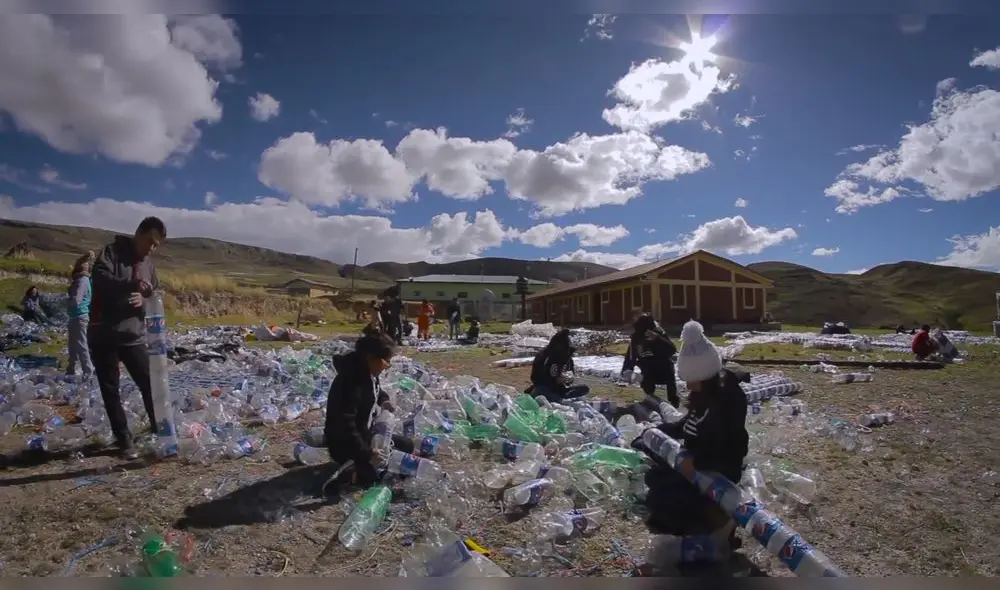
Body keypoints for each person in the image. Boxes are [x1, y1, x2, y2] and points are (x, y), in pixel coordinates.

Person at [636, 320, 749, 543]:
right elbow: (684, 425)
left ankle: (720, 520)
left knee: (666, 500)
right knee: (654, 478)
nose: (687, 386)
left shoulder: (729, 402)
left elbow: (733, 446)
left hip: (717, 469)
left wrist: (697, 463)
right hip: (694, 466)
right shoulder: (701, 398)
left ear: (704, 376)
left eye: (690, 379)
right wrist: (656, 431)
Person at [89, 217, 165, 460]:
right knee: (111, 389)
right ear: (138, 233)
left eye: (156, 245)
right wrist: (130, 285)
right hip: (105, 333)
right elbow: (100, 280)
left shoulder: (149, 265)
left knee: (150, 383)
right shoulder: (111, 253)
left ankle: (160, 431)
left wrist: (144, 300)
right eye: (149, 242)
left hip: (133, 335)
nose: (151, 248)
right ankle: (123, 440)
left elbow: (154, 293)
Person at [324, 333, 415, 490]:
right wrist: (367, 452)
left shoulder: (367, 371)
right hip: (345, 444)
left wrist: (384, 400)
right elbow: (346, 425)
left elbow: (376, 391)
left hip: (365, 434)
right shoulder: (351, 383)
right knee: (373, 478)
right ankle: (349, 470)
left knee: (407, 445)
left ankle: (360, 466)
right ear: (370, 358)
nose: (387, 365)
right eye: (386, 361)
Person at [621, 314, 679, 408]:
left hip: (664, 369)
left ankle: (674, 402)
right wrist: (626, 370)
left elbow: (672, 350)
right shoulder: (636, 338)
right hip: (648, 370)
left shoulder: (659, 333)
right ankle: (650, 400)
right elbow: (630, 357)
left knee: (670, 379)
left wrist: (658, 339)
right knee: (647, 385)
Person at [527, 328, 590, 403]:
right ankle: (557, 399)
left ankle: (559, 398)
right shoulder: (544, 357)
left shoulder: (568, 359)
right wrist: (554, 381)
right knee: (542, 392)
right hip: (544, 388)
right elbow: (535, 378)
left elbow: (570, 376)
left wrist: (568, 379)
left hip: (560, 389)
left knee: (584, 388)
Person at [66, 252, 96, 380]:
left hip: (79, 316)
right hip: (77, 316)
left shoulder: (81, 281)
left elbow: (76, 300)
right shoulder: (86, 280)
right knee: (73, 345)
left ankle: (88, 372)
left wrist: (64, 301)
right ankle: (70, 370)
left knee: (81, 345)